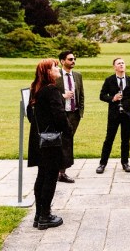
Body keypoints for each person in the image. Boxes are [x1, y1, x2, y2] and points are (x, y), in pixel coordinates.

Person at [26, 59, 70, 230]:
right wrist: (67, 130)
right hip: (51, 141)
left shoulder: (35, 89)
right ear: (47, 72)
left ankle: (39, 214)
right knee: (50, 177)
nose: (58, 68)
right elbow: (60, 116)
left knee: (42, 176)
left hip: (39, 140)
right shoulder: (52, 90)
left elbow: (30, 115)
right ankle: (45, 216)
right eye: (54, 67)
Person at [97, 58, 130, 174]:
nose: (121, 64)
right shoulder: (109, 80)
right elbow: (102, 95)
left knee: (126, 140)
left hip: (127, 115)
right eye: (119, 63)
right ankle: (102, 163)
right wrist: (112, 98)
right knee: (109, 139)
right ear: (114, 67)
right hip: (114, 114)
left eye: (123, 63)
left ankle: (125, 163)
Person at [54, 50, 85, 183]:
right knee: (57, 142)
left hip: (74, 114)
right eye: (70, 59)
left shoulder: (78, 76)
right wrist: (63, 96)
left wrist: (80, 112)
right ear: (62, 61)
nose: (73, 61)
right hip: (61, 114)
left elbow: (81, 94)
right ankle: (55, 171)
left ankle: (62, 172)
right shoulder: (55, 75)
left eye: (74, 59)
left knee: (68, 143)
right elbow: (50, 94)